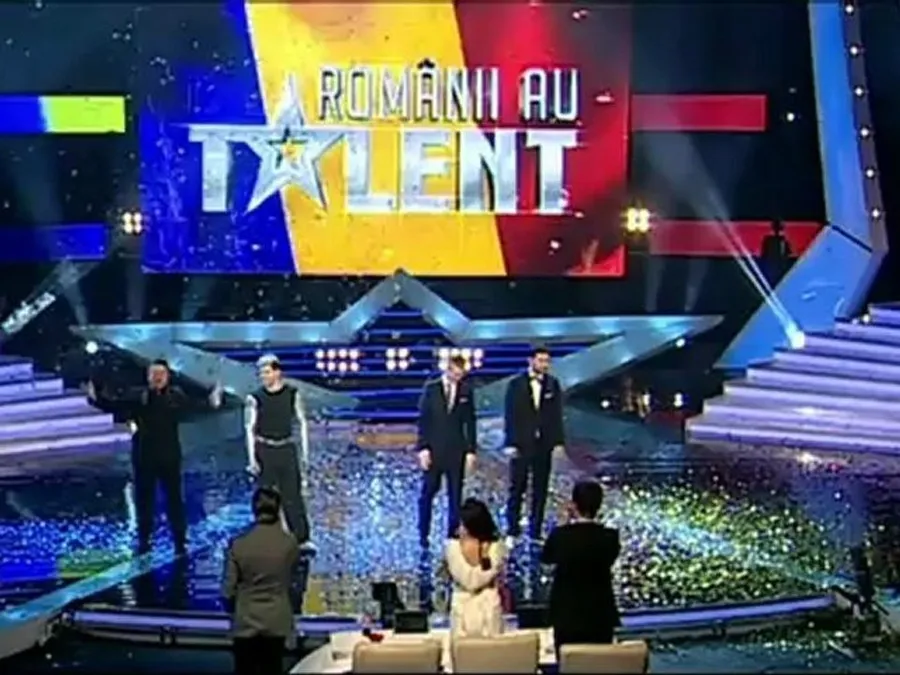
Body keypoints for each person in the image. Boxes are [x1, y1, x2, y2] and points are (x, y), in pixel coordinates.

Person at [86, 359, 223, 554]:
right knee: (144, 501)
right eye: (154, 374)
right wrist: (96, 398)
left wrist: (212, 401)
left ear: (167, 377)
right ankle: (144, 541)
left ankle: (180, 539)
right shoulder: (138, 396)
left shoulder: (176, 396)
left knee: (175, 499)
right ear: (148, 376)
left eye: (161, 374)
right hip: (144, 456)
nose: (158, 378)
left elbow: (196, 407)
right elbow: (115, 406)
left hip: (169, 456)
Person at [223, 487, 298, 675]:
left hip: (246, 623)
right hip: (276, 622)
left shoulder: (239, 544)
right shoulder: (290, 544)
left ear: (254, 509)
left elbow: (227, 590)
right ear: (278, 509)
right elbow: (294, 583)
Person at [541, 481, 620, 657]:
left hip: (566, 615)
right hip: (600, 615)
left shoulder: (561, 536)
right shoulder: (610, 537)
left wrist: (565, 522)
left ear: (574, 505)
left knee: (568, 663)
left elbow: (546, 557)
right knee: (600, 662)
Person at [244, 355, 312, 548]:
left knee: (293, 497)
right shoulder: (254, 398)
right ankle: (268, 538)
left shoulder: (292, 394)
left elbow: (302, 423)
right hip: (265, 450)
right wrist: (252, 459)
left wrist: (305, 454)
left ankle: (301, 538)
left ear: (277, 372)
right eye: (261, 373)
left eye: (267, 372)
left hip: (286, 449)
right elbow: (249, 429)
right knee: (266, 497)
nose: (263, 376)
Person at [504, 346, 565, 544]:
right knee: (517, 487)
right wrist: (510, 443)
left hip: (543, 445)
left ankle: (535, 530)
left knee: (540, 488)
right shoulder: (516, 384)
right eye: (541, 361)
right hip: (522, 444)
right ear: (531, 361)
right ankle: (512, 529)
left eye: (547, 361)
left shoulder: (553, 384)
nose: (544, 365)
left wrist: (558, 442)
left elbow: (556, 415)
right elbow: (510, 415)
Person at [417, 354, 477, 548]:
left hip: (456, 451)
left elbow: (470, 422)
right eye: (456, 373)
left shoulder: (466, 391)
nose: (459, 377)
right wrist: (423, 448)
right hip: (434, 451)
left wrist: (471, 450)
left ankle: (452, 535)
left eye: (461, 374)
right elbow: (424, 420)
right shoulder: (431, 389)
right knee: (428, 493)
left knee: (455, 495)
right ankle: (423, 534)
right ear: (448, 369)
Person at [444, 498, 507, 639]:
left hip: (488, 608)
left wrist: (484, 556)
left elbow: (485, 574)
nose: (460, 528)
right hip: (461, 610)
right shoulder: (453, 547)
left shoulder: (495, 547)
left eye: (464, 524)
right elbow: (468, 581)